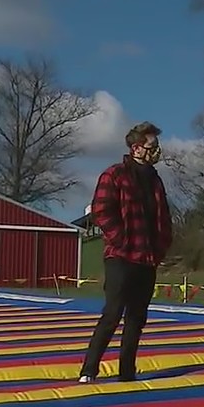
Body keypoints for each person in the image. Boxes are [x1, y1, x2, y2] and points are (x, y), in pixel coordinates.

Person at [78, 122, 174, 383]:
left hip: (147, 258)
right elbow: (102, 210)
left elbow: (164, 217)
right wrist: (121, 239)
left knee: (136, 319)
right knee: (112, 313)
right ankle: (89, 370)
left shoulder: (155, 180)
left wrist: (161, 246)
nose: (156, 151)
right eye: (151, 146)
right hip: (121, 257)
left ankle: (126, 372)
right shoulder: (114, 175)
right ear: (136, 148)